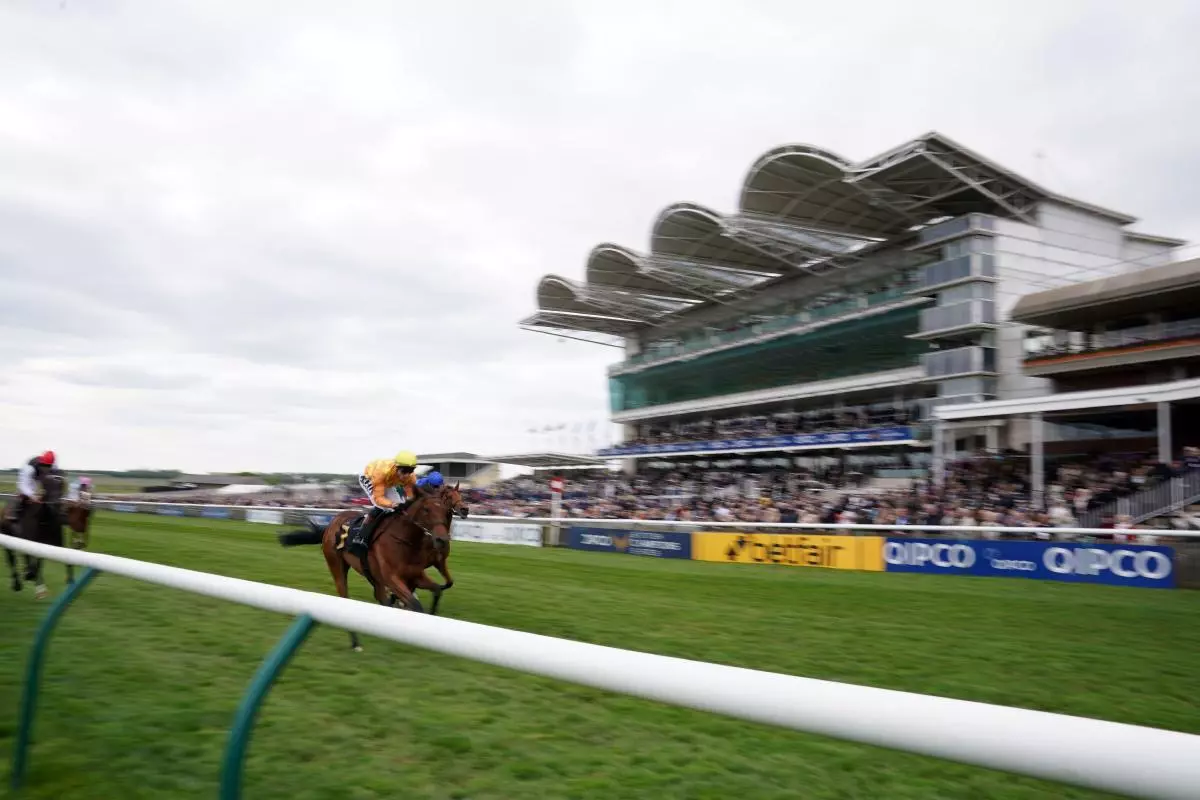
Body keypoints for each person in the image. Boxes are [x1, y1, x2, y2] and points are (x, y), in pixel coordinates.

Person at [346, 451, 425, 559]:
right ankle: (360, 536)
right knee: (382, 507)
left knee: (401, 505)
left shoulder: (410, 477)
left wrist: (408, 504)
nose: (407, 474)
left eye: (411, 470)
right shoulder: (381, 472)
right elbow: (379, 498)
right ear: (397, 467)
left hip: (389, 481)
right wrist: (392, 504)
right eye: (405, 471)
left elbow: (410, 496)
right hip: (370, 477)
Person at [13, 451, 56, 526]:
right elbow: (23, 485)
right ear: (42, 463)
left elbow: (48, 481)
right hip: (27, 479)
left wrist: (44, 492)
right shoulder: (29, 468)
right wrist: (33, 496)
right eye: (45, 466)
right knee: (25, 494)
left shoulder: (51, 467)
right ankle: (15, 511)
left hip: (36, 478)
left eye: (49, 466)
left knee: (44, 497)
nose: (46, 469)